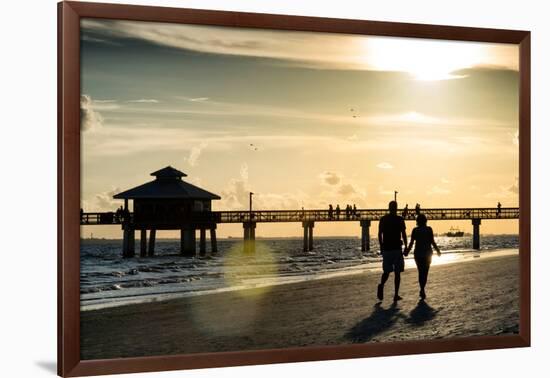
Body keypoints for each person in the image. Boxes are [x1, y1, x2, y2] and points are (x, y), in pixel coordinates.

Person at [404, 214, 441, 300]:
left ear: (417, 221)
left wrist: (407, 252)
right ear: (425, 221)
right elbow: (432, 242)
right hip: (428, 254)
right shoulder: (429, 229)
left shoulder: (415, 230)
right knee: (425, 273)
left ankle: (422, 289)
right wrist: (438, 250)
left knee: (420, 272)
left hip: (418, 255)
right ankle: (422, 289)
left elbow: (411, 243)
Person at [377, 201, 407, 302]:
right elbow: (403, 234)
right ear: (396, 208)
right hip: (397, 249)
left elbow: (380, 234)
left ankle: (381, 285)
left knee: (386, 271)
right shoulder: (400, 219)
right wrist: (406, 246)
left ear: (389, 208)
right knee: (397, 273)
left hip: (387, 249)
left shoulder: (383, 219)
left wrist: (381, 246)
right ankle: (396, 295)